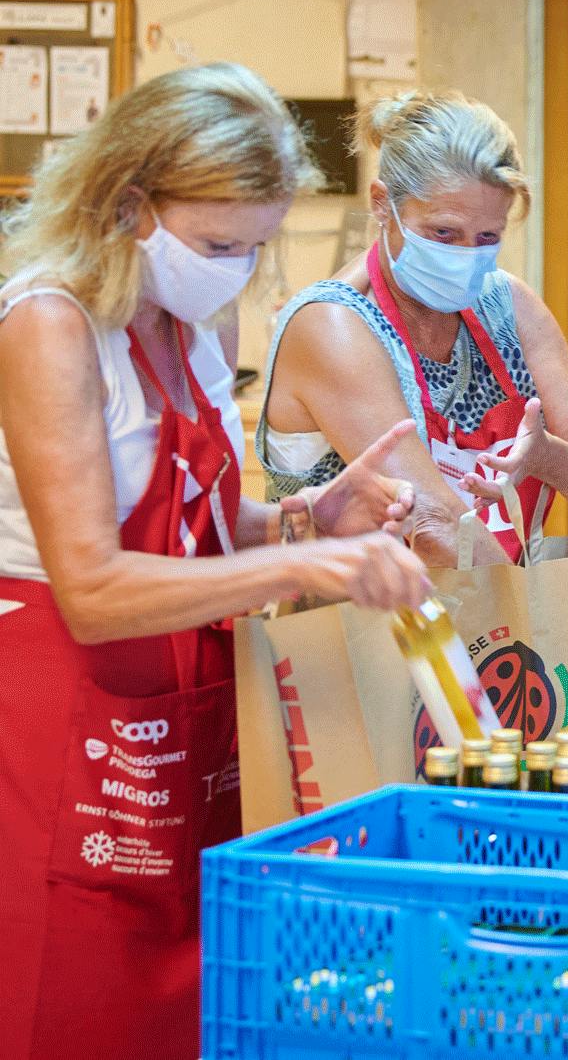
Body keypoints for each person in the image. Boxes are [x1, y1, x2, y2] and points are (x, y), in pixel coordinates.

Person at [0, 62, 431, 1060]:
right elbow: (97, 586)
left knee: (186, 993)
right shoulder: (50, 325)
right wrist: (302, 572)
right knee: (69, 991)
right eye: (217, 243)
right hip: (68, 703)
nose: (237, 269)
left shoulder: (199, 319)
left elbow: (192, 517)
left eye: (255, 245)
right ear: (129, 202)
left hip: (185, 695)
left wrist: (306, 518)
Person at [258, 90, 568, 565]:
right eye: (444, 233)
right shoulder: (332, 323)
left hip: (483, 618)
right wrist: (527, 629)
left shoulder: (508, 305)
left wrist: (547, 456)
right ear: (381, 203)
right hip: (357, 622)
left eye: (487, 238)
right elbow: (433, 525)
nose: (465, 255)